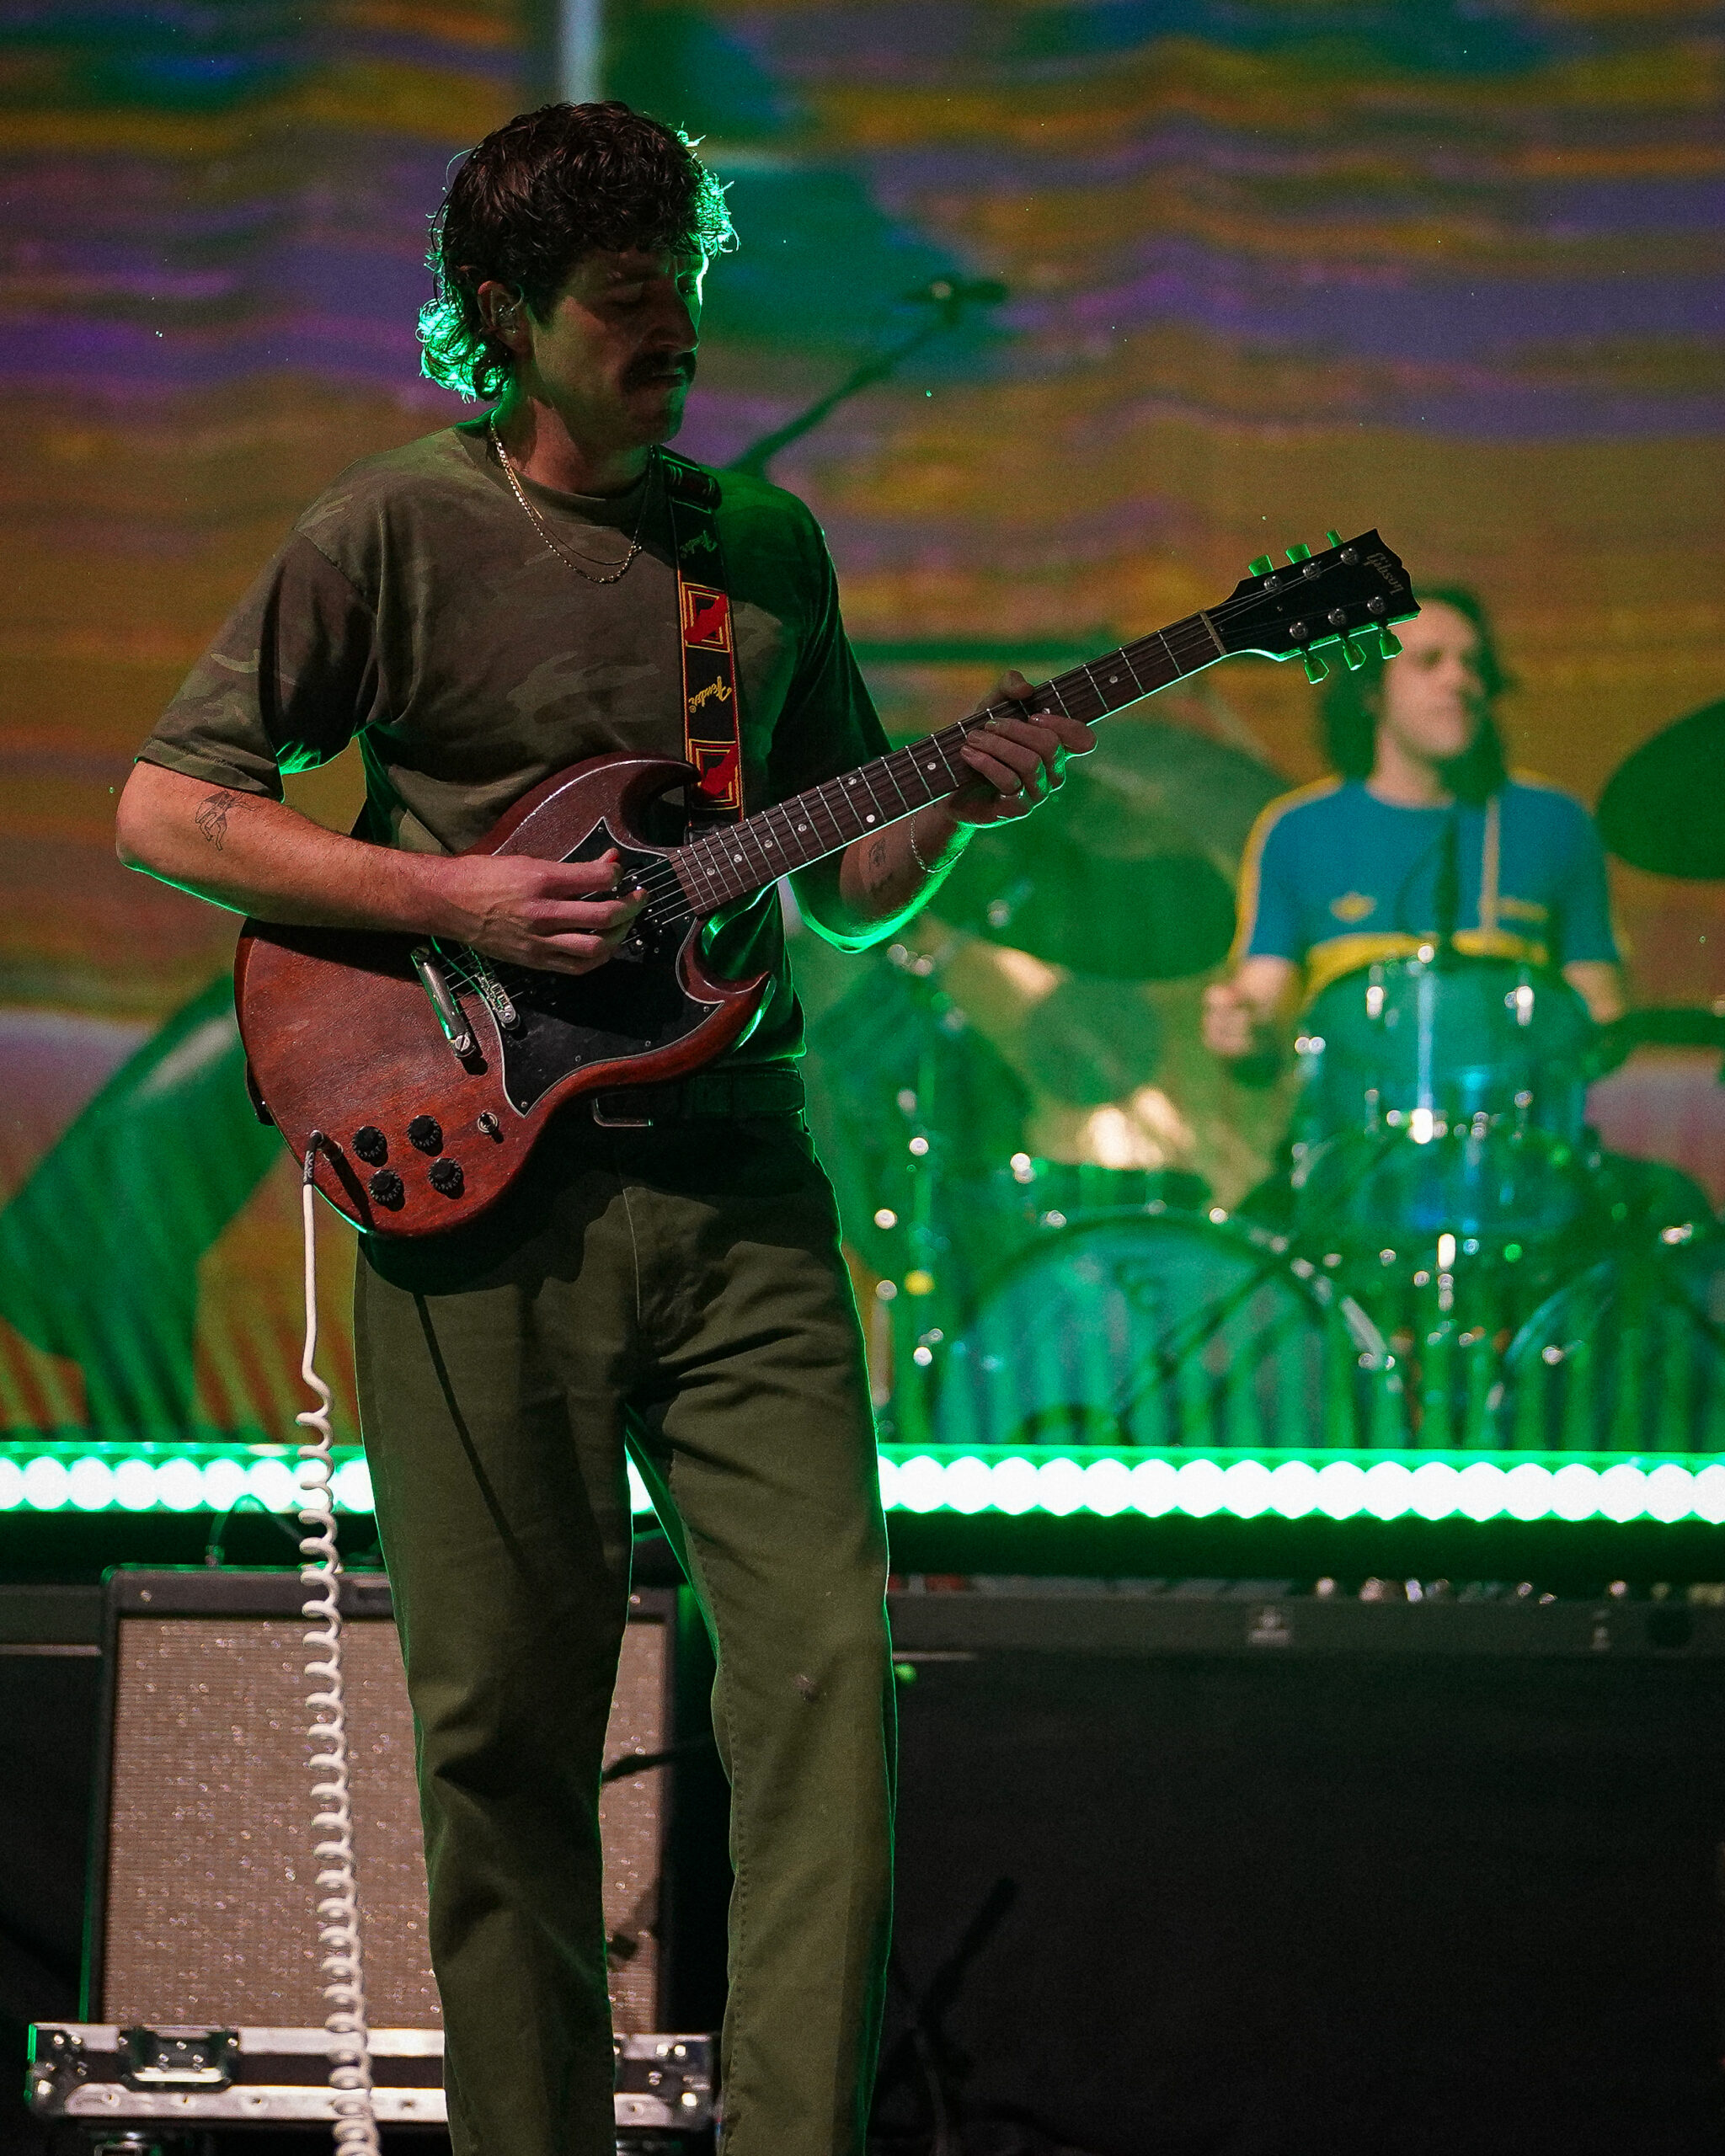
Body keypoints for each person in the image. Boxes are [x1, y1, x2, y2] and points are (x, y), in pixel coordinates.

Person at [114, 102, 1093, 2156]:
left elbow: (837, 878)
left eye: (689, 294)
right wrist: (449, 899)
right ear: (505, 319)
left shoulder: (763, 547)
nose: (678, 339)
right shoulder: (383, 530)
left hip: (736, 1188)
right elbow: (169, 803)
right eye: (629, 304)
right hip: (478, 1207)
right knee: (498, 1732)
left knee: (824, 1673)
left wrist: (965, 801)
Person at [1202, 587, 1624, 1076]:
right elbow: (1263, 1001)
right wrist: (1242, 1028)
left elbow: (1601, 1014)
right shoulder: (1298, 830)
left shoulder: (1554, 822)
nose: (1458, 680)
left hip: (1508, 1131)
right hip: (1354, 1140)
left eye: (1472, 664)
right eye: (1429, 662)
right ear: (1372, 691)